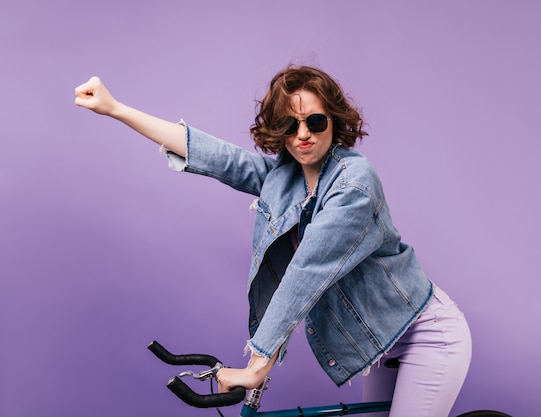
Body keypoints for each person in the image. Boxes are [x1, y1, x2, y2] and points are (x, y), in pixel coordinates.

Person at [74, 65, 472, 417]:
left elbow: (307, 270)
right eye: (289, 125)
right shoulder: (286, 178)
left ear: (333, 121)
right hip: (383, 343)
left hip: (428, 336)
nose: (302, 135)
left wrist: (259, 362)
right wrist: (115, 108)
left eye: (314, 122)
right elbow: (218, 156)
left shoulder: (354, 184)